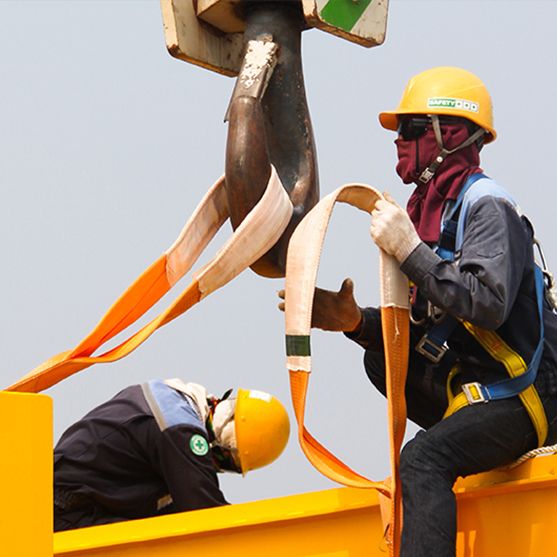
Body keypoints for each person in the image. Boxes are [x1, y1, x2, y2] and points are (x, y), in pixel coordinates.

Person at [281, 67, 557, 556]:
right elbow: (429, 325)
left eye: (409, 131)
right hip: (480, 382)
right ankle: (460, 439)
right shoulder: (429, 210)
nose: (398, 145)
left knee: (423, 460)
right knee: (379, 358)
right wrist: (355, 322)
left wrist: (411, 252)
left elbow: (487, 304)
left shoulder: (486, 207)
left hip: (528, 391)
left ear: (446, 134)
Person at [54, 378, 290, 531]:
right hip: (68, 507)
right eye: (223, 462)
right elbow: (208, 517)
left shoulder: (171, 399)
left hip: (71, 499)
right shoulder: (181, 432)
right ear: (222, 445)